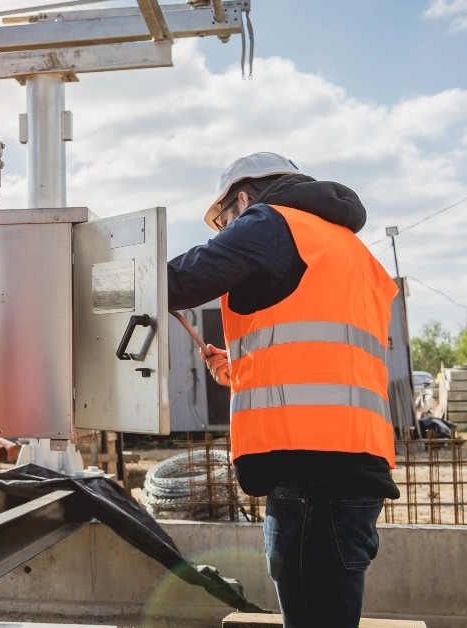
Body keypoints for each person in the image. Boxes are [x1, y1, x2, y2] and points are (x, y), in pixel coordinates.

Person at [167, 153, 399, 627]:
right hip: (349, 464)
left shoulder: (270, 222)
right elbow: (324, 358)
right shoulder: (348, 249)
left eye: (224, 223)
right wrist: (237, 367)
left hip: (312, 475)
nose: (225, 235)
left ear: (245, 199)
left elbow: (179, 280)